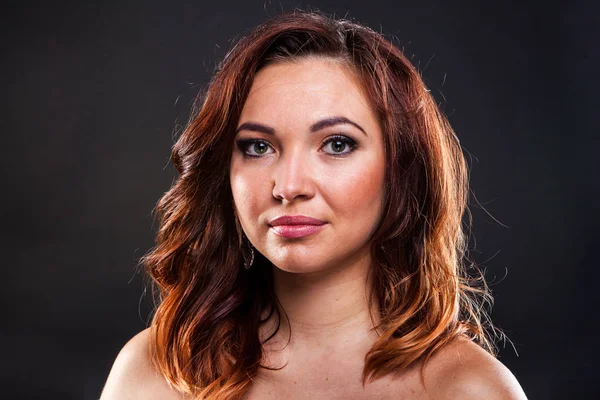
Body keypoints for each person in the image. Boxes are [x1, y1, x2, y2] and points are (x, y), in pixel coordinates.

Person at [100, 9, 528, 400]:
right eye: (258, 146)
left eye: (337, 145)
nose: (288, 186)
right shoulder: (156, 373)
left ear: (402, 166)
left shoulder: (469, 390)